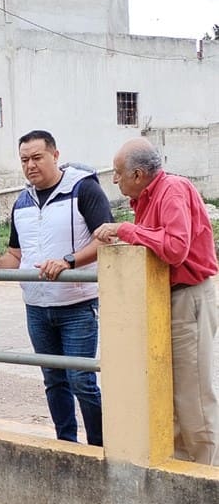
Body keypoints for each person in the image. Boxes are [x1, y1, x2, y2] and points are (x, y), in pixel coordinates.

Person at [0, 130, 113, 446]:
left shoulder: (84, 189)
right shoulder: (21, 201)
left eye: (37, 157)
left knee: (81, 380)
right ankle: (66, 444)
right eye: (24, 160)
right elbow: (16, 257)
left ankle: (101, 446)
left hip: (77, 304)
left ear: (55, 155)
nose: (30, 166)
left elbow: (106, 239)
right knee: (53, 380)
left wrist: (69, 261)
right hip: (36, 306)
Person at [94, 137, 219, 465]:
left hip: (187, 297)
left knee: (194, 397)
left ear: (137, 174)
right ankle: (181, 470)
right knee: (171, 395)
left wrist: (125, 230)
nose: (115, 180)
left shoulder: (172, 190)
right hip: (167, 298)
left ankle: (206, 475)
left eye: (118, 173)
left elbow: (176, 248)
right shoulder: (147, 197)